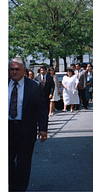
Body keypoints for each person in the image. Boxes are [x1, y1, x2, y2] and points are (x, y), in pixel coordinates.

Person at [9, 58, 48, 191]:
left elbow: (42, 108)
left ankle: (19, 190)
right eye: (11, 69)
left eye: (16, 69)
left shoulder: (34, 86)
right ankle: (13, 184)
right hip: (7, 130)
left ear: (24, 71)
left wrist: (43, 129)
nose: (13, 72)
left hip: (25, 130)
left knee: (23, 164)